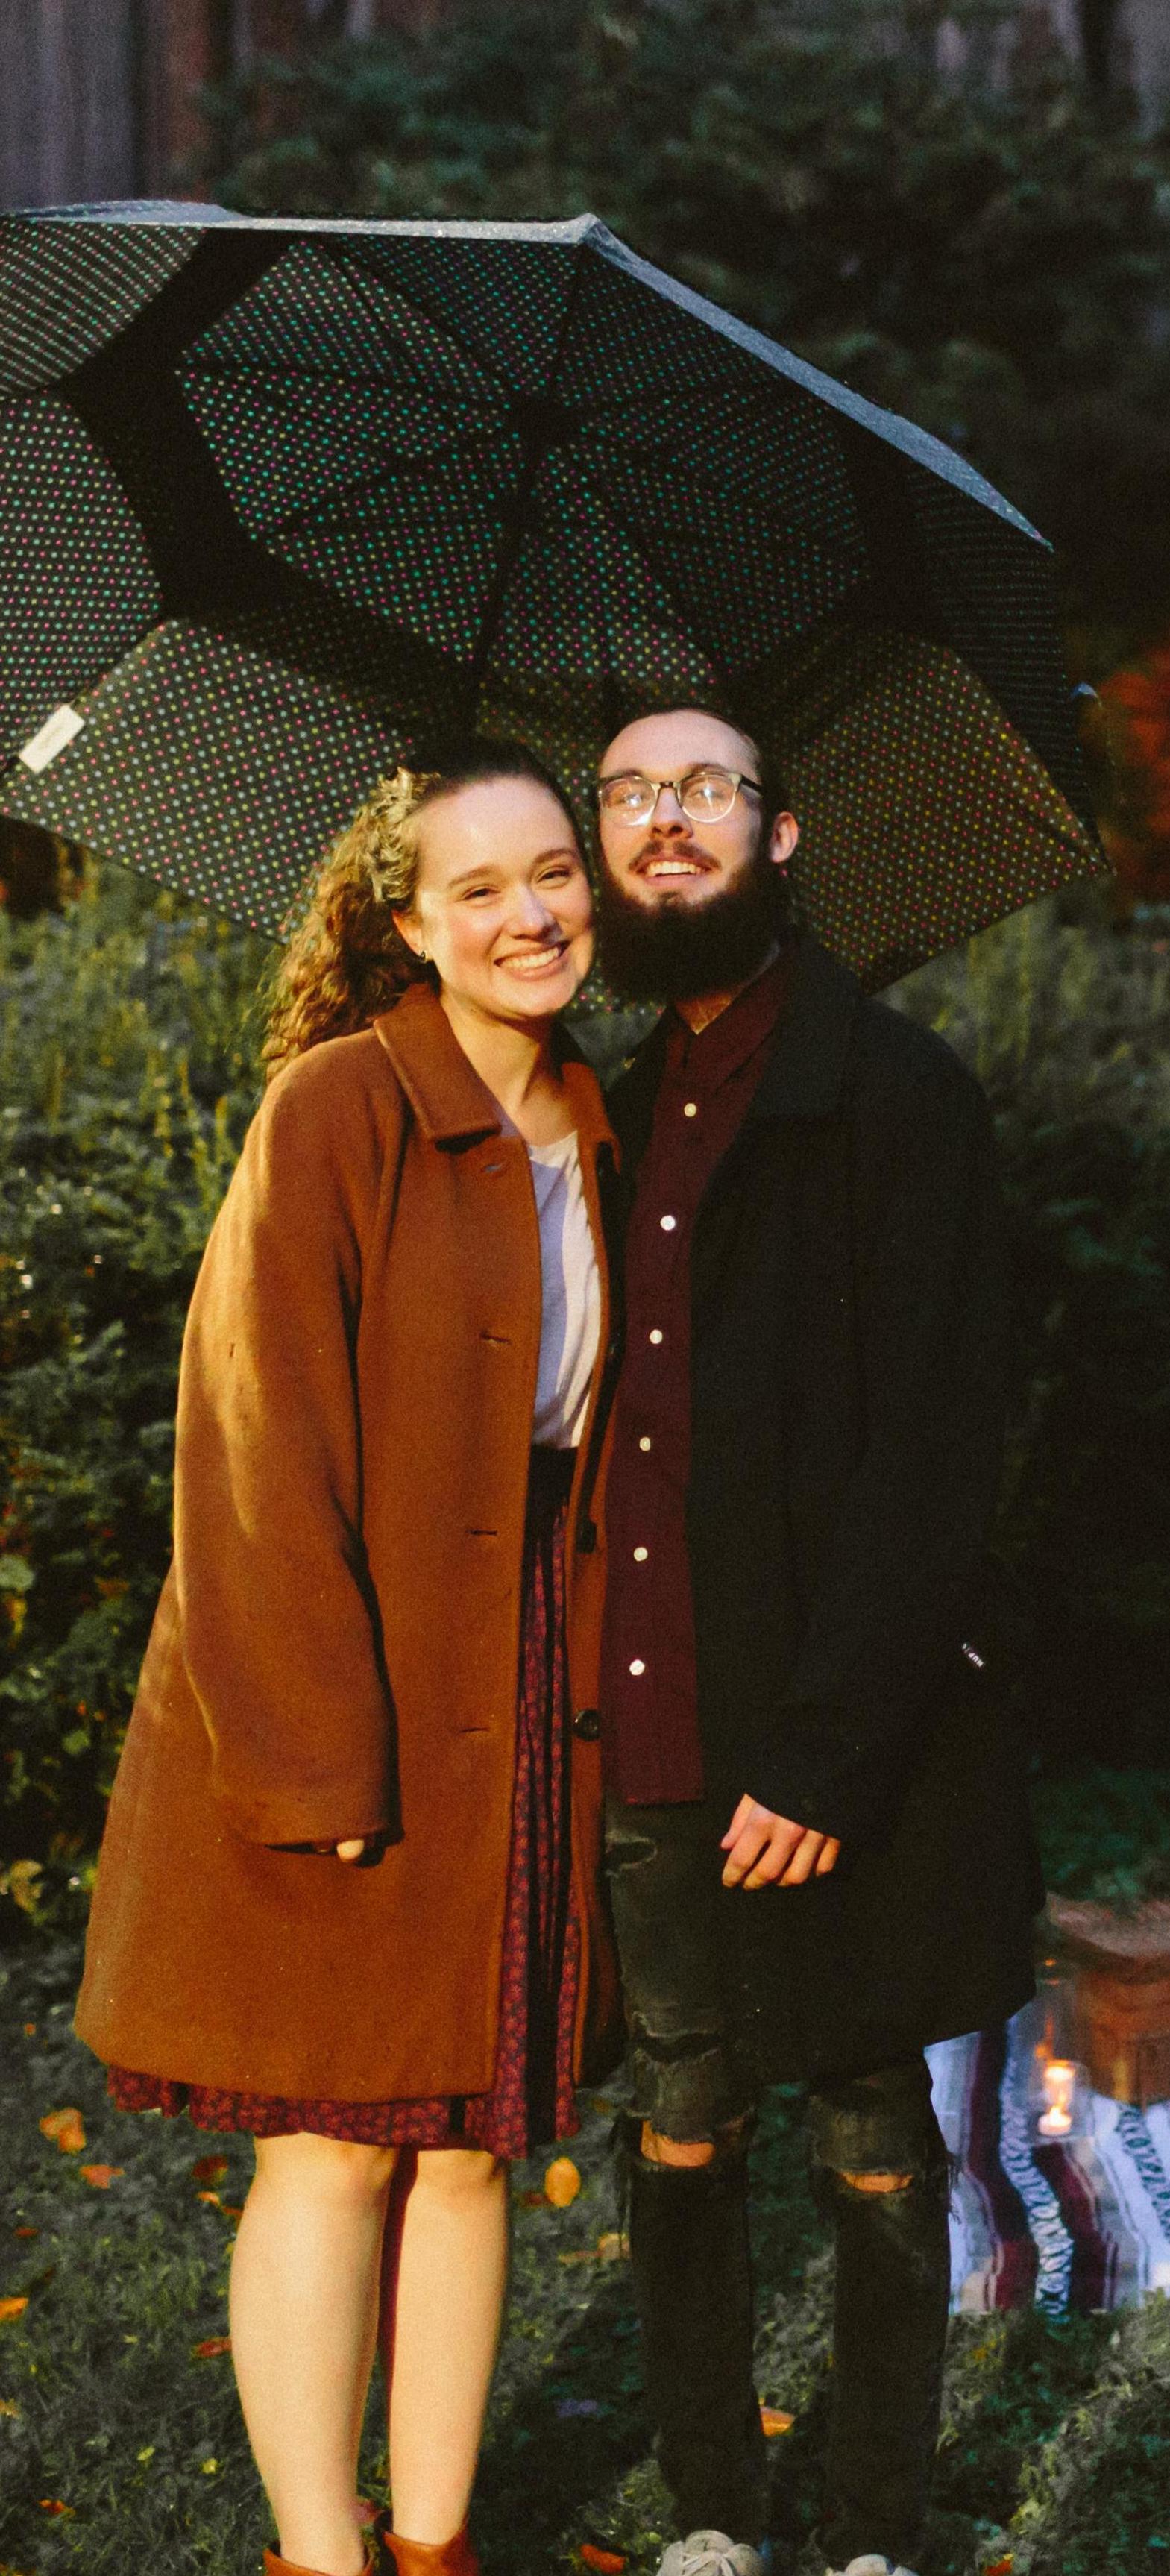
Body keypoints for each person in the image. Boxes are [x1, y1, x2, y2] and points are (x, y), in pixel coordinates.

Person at [75, 740, 623, 2576]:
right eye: (478, 887)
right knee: (337, 2141)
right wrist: (322, 1765)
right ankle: (322, 2554)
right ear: (408, 921)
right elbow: (249, 1454)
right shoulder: (336, 1111)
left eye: (553, 870)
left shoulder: (605, 1123)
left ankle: (440, 2538)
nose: (531, 911)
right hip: (345, 1689)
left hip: (528, 1686)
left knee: (472, 2140)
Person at [587, 705, 1039, 2576]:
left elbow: (953, 1443)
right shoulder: (592, 1108)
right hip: (648, 1715)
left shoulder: (897, 1095)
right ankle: (710, 2508)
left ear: (780, 837)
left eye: (704, 787)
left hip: (832, 1740)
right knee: (678, 2120)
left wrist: (831, 1743)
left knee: (869, 2129)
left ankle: (867, 2528)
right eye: (624, 794)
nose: (661, 818)